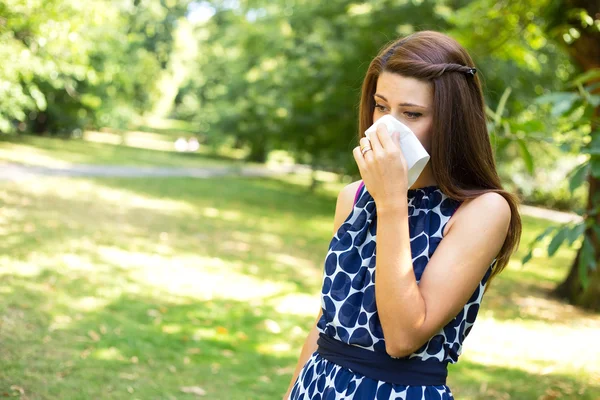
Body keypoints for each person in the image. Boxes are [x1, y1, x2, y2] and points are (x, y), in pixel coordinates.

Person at [283, 30, 522, 400]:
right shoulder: (353, 197)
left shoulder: (483, 210)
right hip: (319, 386)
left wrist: (391, 200)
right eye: (381, 106)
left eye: (411, 113)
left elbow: (403, 336)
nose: (387, 127)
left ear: (451, 121)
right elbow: (327, 320)